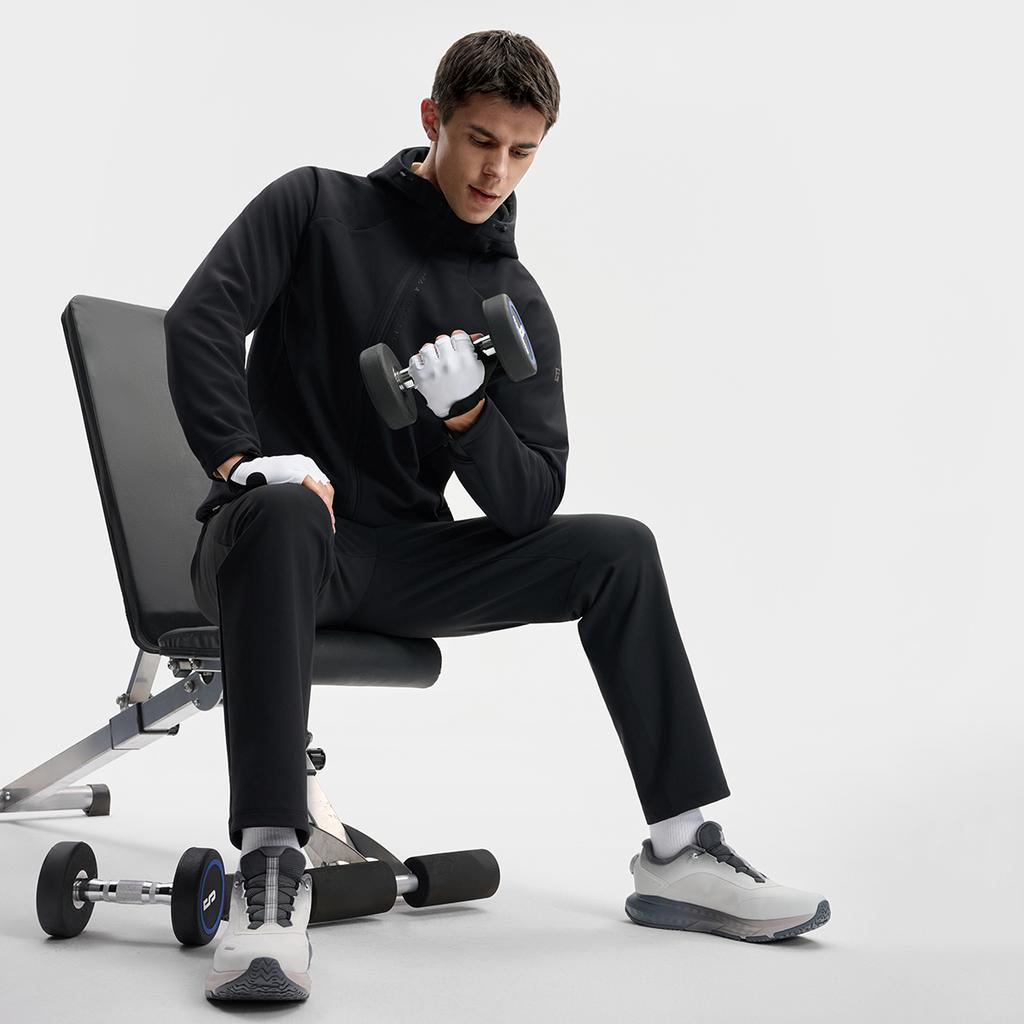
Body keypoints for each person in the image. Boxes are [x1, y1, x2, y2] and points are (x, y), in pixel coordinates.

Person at [165, 28, 831, 1005]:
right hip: (273, 541)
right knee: (291, 513)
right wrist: (246, 461)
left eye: (523, 152)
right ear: (431, 119)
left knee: (619, 550)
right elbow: (204, 318)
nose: (497, 172)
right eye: (480, 140)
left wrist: (470, 417)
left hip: (405, 561)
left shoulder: (511, 298)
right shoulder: (315, 206)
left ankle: (681, 851)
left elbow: (529, 503)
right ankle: (270, 872)